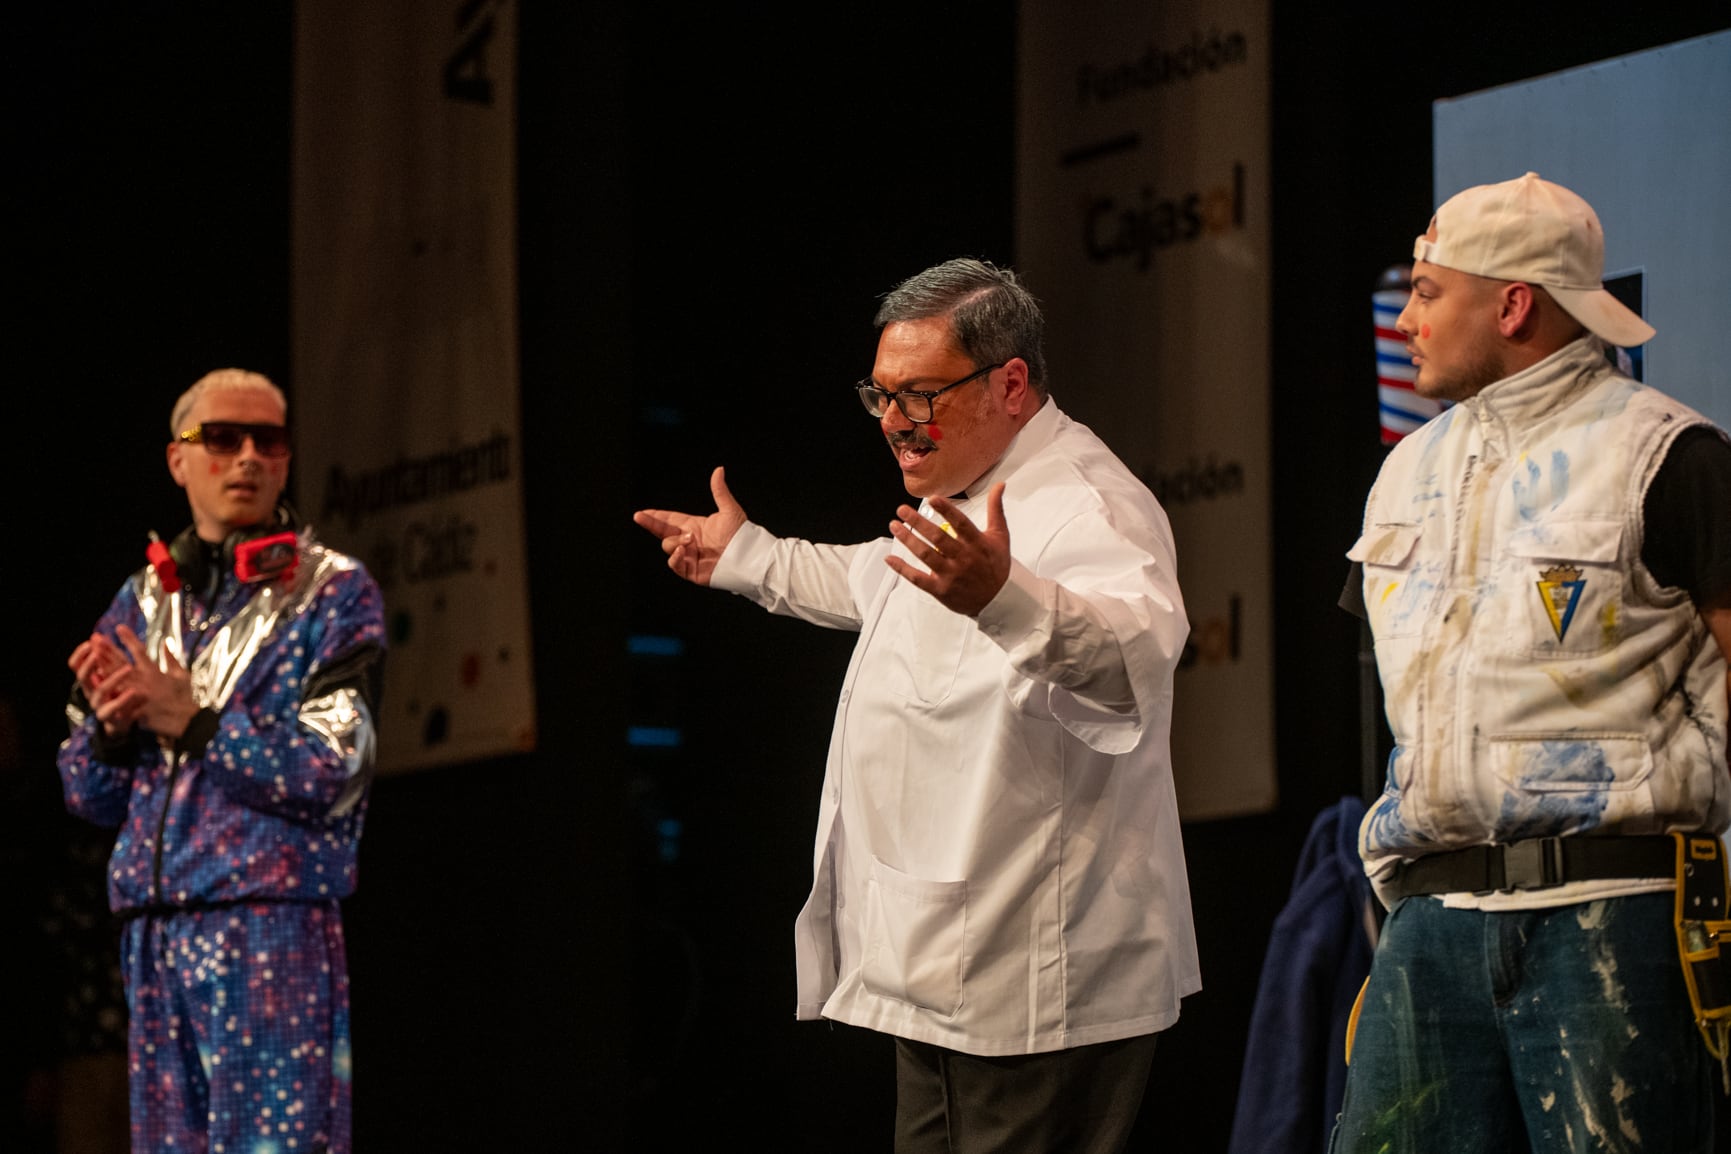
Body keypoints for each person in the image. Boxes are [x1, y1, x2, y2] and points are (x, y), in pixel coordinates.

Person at [634, 258, 1198, 1153]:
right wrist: (745, 556)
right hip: (941, 973)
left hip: (1035, 985)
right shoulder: (961, 496)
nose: (894, 423)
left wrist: (1004, 598)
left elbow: (1137, 661)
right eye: (881, 396)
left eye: (920, 396)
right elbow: (873, 578)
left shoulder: (1087, 504)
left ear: (1010, 384)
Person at [1336, 173, 1731, 1152]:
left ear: (1513, 304)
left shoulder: (1667, 451)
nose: (1408, 318)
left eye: (1429, 292)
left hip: (1614, 914)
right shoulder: (1402, 474)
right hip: (1428, 923)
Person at [57, 368, 385, 1154]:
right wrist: (109, 733)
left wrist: (195, 724)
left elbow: (333, 771)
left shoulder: (331, 592)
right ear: (179, 461)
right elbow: (84, 792)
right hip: (154, 933)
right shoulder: (140, 603)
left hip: (267, 926)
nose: (246, 459)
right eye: (222, 439)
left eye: (267, 442)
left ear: (287, 459)